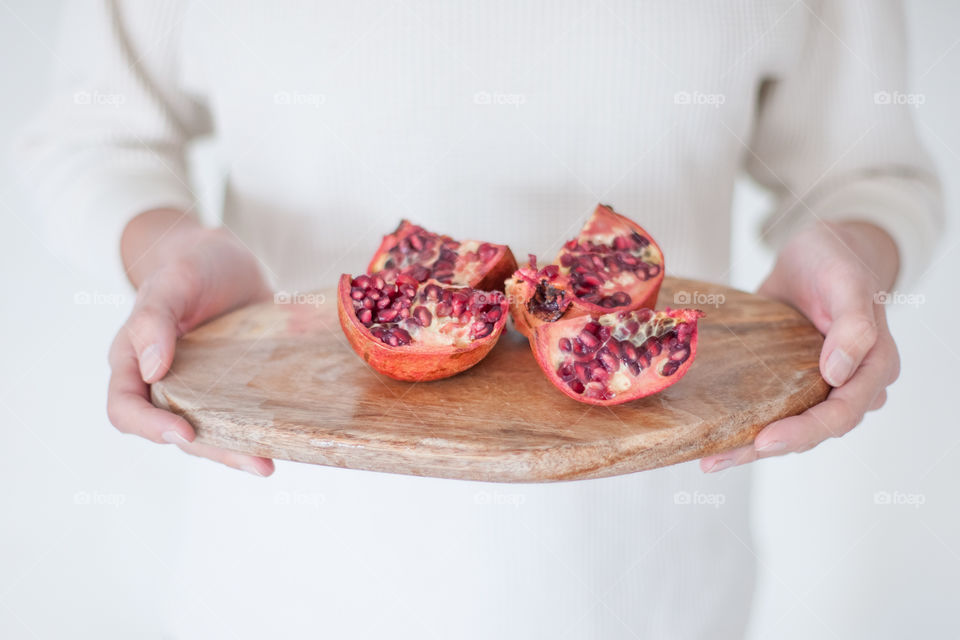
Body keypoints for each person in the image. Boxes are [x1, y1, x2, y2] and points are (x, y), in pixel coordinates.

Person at [15, 1, 941, 637]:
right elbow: (95, 138)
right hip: (283, 575)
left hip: (645, 584)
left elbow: (867, 168)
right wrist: (168, 246)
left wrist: (853, 252)